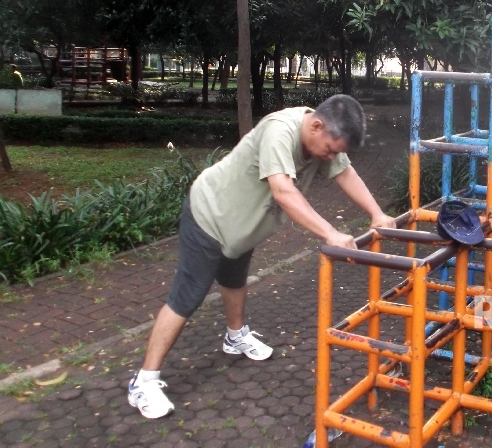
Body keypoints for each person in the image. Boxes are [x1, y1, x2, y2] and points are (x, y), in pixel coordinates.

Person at [127, 94, 397, 419]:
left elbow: (346, 173)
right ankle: (144, 380)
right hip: (210, 216)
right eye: (330, 149)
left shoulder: (324, 138)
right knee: (187, 296)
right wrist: (330, 233)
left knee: (234, 280)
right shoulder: (279, 131)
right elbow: (283, 191)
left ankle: (235, 336)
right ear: (316, 125)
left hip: (241, 226)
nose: (331, 157)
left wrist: (377, 213)